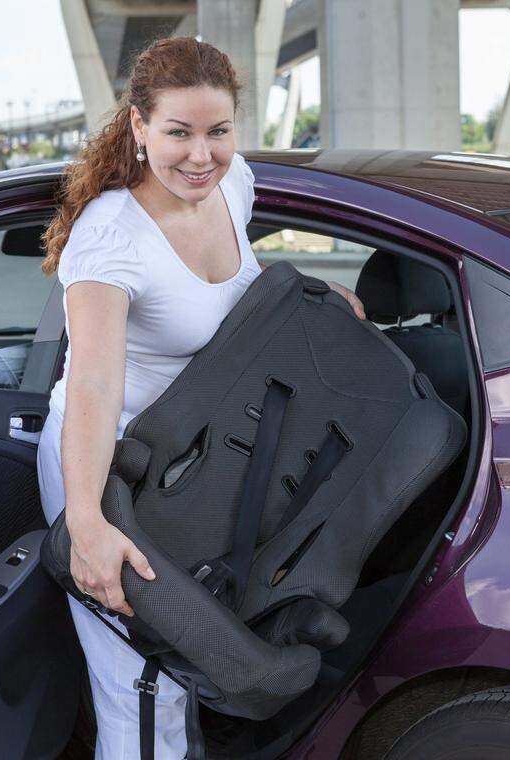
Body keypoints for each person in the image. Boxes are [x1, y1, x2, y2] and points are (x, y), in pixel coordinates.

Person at [36, 37, 364, 759]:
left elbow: (229, 291)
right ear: (138, 127)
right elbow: (93, 383)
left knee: (189, 665)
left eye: (217, 131)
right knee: (142, 683)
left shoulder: (233, 183)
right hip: (106, 470)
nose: (200, 155)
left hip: (194, 464)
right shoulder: (111, 237)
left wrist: (317, 297)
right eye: (178, 133)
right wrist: (87, 524)